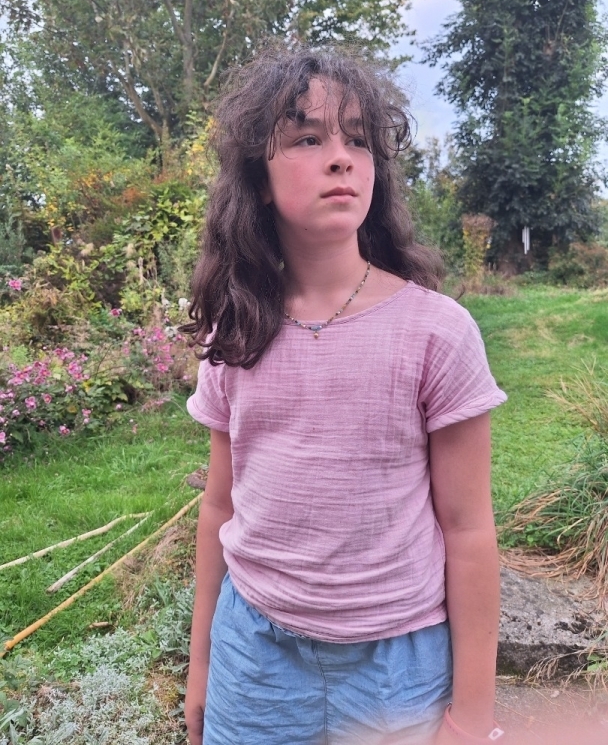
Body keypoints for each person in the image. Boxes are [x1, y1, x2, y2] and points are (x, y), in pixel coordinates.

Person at [182, 44, 507, 745]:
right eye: (308, 138)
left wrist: (473, 716)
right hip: (254, 661)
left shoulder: (436, 332)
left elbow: (469, 530)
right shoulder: (236, 331)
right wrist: (201, 668)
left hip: (398, 670)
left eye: (357, 139)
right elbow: (219, 506)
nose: (341, 159)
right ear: (258, 180)